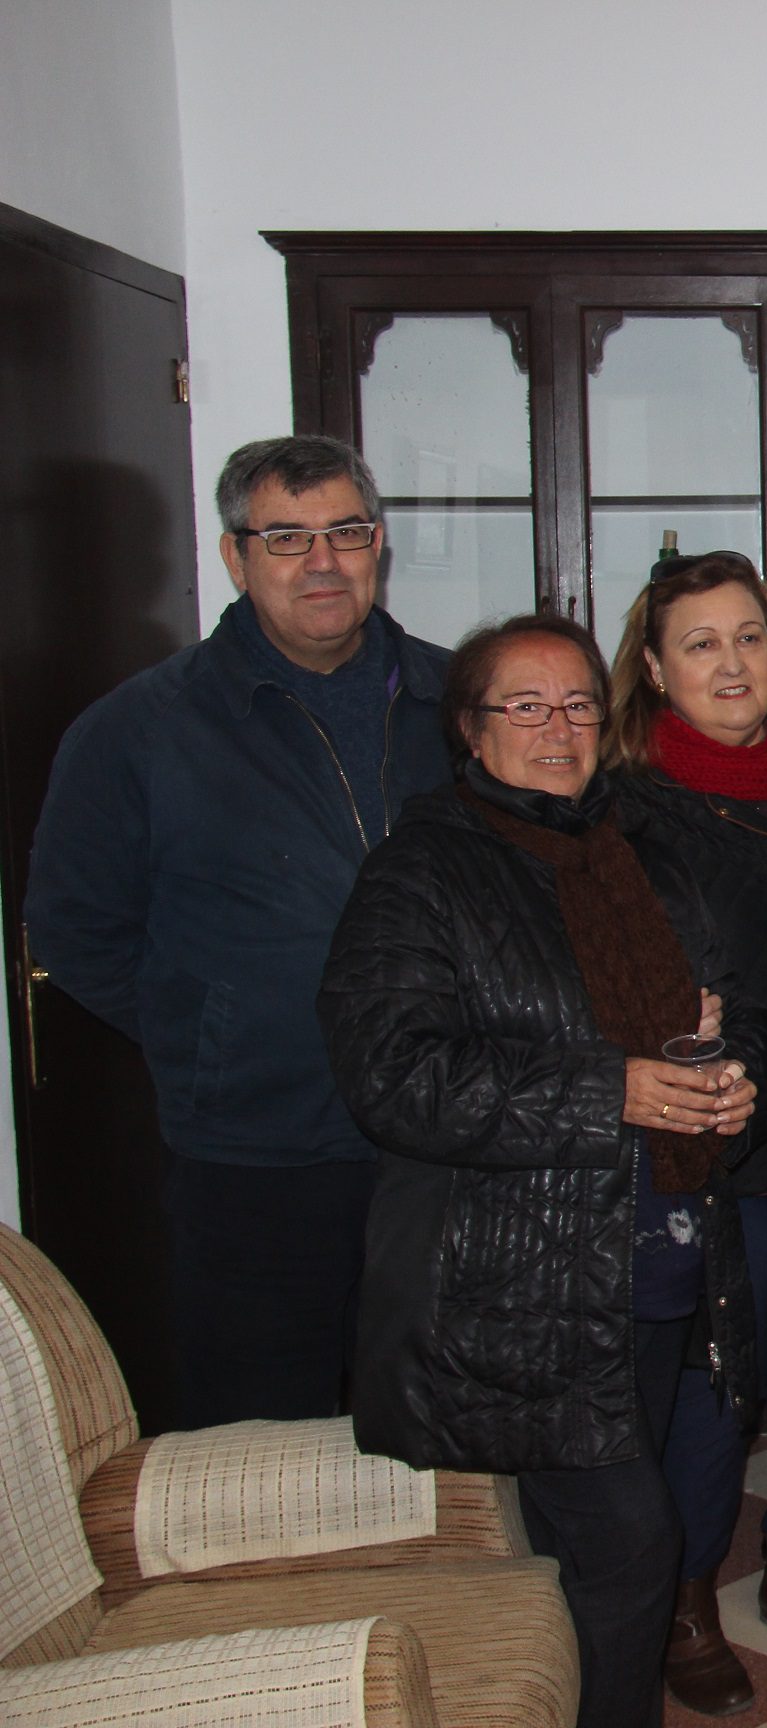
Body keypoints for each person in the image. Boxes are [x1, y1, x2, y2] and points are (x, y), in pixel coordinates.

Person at [320, 613, 765, 1728]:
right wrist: (607, 1087)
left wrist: (727, 1089)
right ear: (469, 732)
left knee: (597, 1551)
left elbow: (707, 1020)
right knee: (631, 1545)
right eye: (523, 705)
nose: (556, 726)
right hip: (517, 1282)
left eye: (575, 703)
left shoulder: (647, 853)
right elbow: (393, 1076)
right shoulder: (422, 869)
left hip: (659, 1261)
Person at [25, 434, 454, 1428]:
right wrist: (208, 1029)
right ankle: (286, 1596)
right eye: (286, 538)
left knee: (439, 1427)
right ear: (235, 556)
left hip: (440, 1140)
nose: (321, 562)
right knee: (261, 1436)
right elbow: (75, 926)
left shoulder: (457, 703)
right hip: (255, 1158)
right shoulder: (140, 729)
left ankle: (427, 1590)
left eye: (344, 532)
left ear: (378, 544)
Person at [602, 552, 767, 1708]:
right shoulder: (623, 802)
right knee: (712, 1386)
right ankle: (685, 1593)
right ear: (656, 668)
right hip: (705, 1137)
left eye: (750, 637)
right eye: (701, 643)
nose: (731, 662)